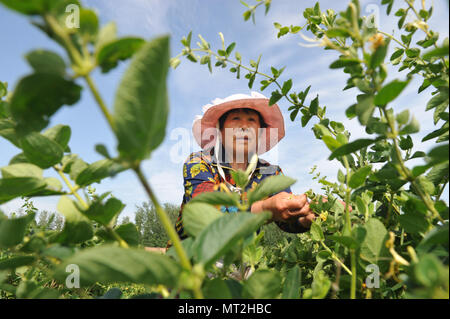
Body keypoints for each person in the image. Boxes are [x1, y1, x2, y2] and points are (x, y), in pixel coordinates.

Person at [173, 91, 317, 242]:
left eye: (251, 120)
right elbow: (207, 214)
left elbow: (286, 220)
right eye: (235, 119)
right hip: (191, 257)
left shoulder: (270, 172)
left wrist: (307, 216)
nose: (244, 126)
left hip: (243, 261)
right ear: (220, 131)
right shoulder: (199, 162)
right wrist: (264, 209)